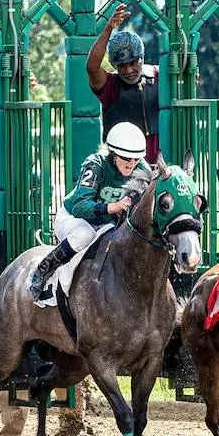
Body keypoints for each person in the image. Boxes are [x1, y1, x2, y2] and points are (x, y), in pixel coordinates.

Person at [28, 121, 151, 301]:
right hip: (73, 218)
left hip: (105, 223)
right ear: (114, 154)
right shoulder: (96, 164)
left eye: (136, 159)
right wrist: (113, 207)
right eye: (126, 158)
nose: (131, 163)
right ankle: (44, 270)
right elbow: (79, 207)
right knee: (84, 235)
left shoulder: (142, 169)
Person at [87, 5, 160, 166]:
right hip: (122, 169)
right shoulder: (110, 86)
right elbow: (92, 67)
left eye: (133, 63)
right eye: (121, 66)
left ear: (142, 58)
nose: (128, 70)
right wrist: (108, 29)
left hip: (159, 166)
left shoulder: (157, 76)